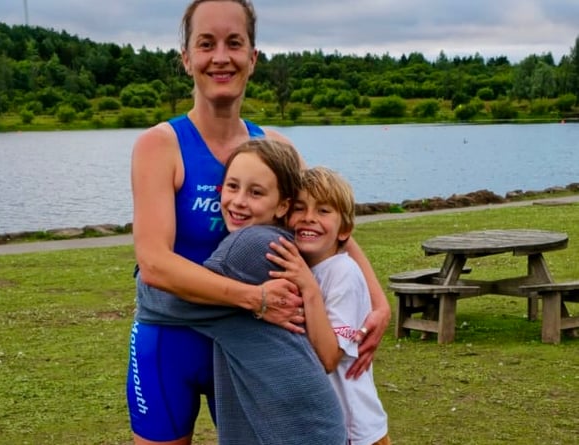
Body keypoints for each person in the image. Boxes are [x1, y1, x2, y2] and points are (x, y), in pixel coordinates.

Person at [128, 0, 389, 443]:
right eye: (206, 44)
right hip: (173, 342)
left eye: (235, 43)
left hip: (256, 348)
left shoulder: (275, 147)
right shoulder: (160, 145)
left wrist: (378, 302)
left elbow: (322, 224)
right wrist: (253, 297)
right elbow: (154, 264)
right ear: (187, 58)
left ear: (253, 57)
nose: (221, 57)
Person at [193, 138, 346, 443]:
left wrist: (149, 269)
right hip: (304, 421)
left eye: (256, 192)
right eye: (232, 186)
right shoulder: (280, 241)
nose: (238, 201)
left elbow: (162, 299)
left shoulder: (250, 246)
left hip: (297, 429)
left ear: (283, 206)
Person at [267, 166, 391, 445]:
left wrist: (309, 289)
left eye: (324, 211)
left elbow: (329, 358)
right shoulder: (303, 269)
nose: (309, 218)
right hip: (318, 425)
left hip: (354, 430)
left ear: (344, 230)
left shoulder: (343, 273)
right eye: (300, 208)